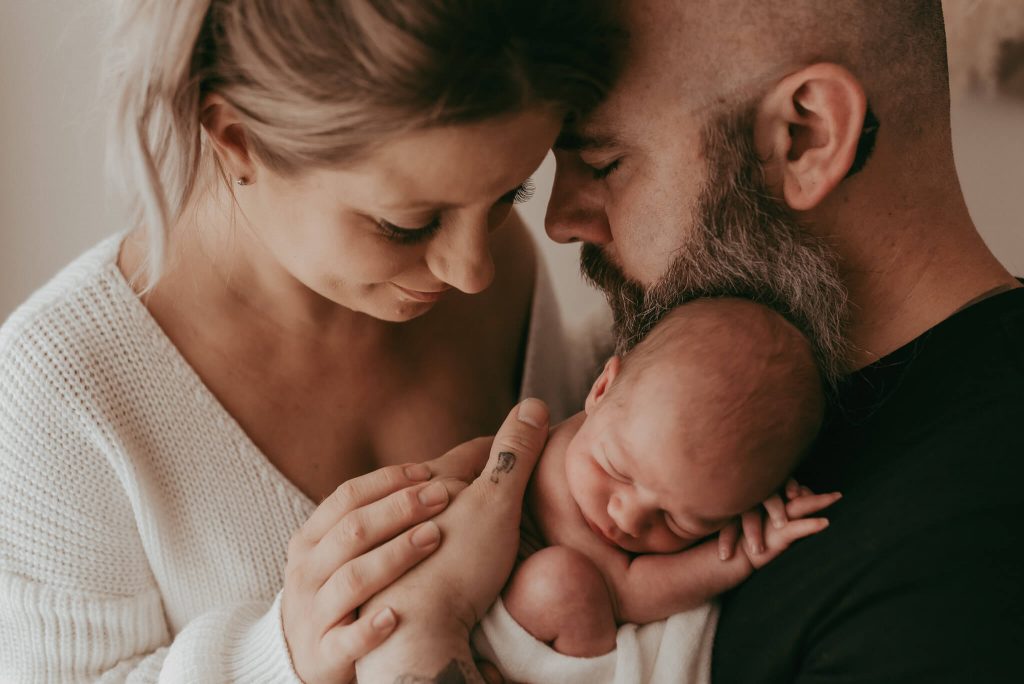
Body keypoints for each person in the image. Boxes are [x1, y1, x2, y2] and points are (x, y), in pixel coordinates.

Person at [366, 1, 1023, 682]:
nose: (560, 223)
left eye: (603, 160)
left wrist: (423, 646)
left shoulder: (964, 571)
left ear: (805, 136)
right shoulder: (684, 400)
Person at [0, 1, 616, 681]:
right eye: (405, 225)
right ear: (236, 139)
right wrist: (279, 655)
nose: (473, 271)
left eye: (511, 194)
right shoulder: (59, 390)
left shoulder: (502, 277)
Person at [473, 299, 841, 683]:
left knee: (564, 584)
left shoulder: (619, 440)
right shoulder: (547, 435)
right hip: (472, 600)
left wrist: (739, 558)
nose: (627, 517)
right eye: (616, 470)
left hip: (522, 645)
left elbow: (628, 593)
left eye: (678, 520)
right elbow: (485, 466)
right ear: (601, 390)